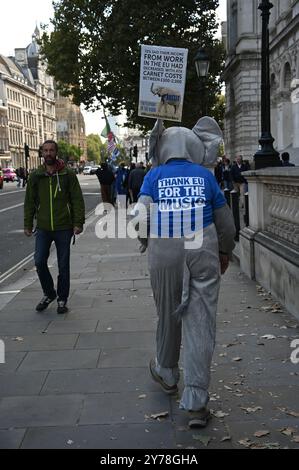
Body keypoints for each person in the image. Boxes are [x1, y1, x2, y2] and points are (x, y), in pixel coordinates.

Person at [136, 118, 236, 429]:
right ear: (196, 146)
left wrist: (144, 241)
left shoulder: (153, 176)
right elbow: (226, 223)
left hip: (164, 249)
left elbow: (140, 217)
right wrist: (224, 252)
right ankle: (195, 401)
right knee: (200, 319)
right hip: (201, 245)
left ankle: (166, 371)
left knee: (167, 312)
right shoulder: (205, 177)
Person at [24, 140, 85, 314]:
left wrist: (78, 222)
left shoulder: (67, 174)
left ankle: (62, 299)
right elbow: (29, 202)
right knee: (39, 261)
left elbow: (77, 199)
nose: (48, 153)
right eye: (46, 151)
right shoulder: (36, 176)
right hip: (43, 227)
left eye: (51, 150)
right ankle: (49, 293)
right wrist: (28, 224)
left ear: (56, 152)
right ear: (42, 153)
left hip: (64, 227)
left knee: (63, 265)